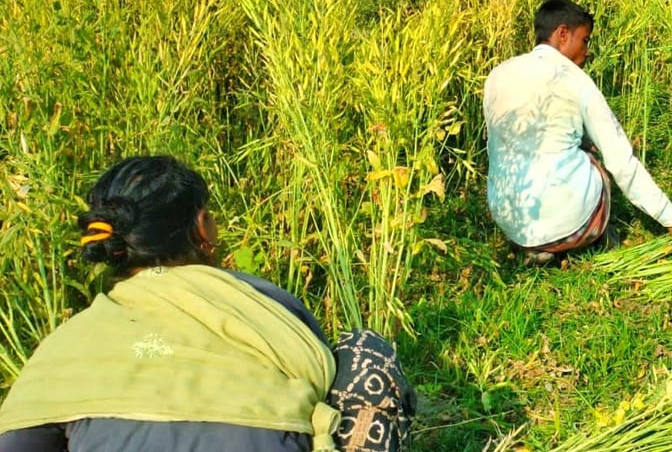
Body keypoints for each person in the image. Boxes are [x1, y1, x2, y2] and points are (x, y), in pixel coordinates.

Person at [0, 156, 415, 452]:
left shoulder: (65, 348)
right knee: (364, 351)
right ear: (203, 229)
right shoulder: (263, 302)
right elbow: (317, 372)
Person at [484, 0, 672, 266]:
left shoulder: (497, 74)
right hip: (568, 227)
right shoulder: (575, 79)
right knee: (595, 158)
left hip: (511, 223)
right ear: (563, 34)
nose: (587, 50)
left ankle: (538, 246)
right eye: (585, 40)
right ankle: (586, 237)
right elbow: (621, 163)